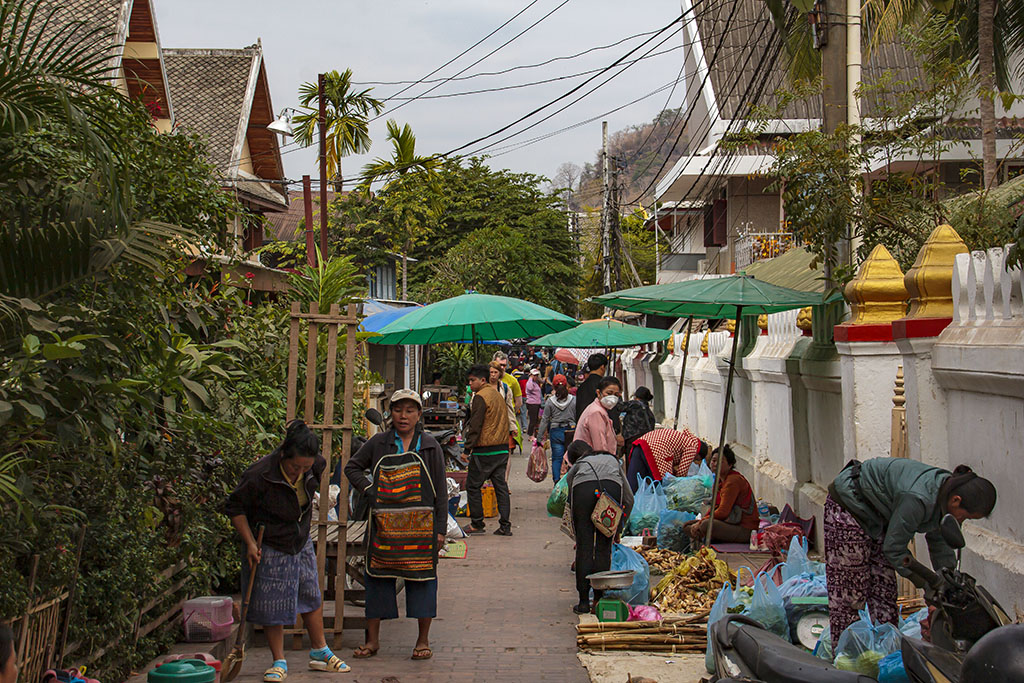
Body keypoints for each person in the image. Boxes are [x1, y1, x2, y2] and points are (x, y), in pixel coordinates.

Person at [824, 458, 997, 650]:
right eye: (964, 516)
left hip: (879, 514)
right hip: (850, 504)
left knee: (884, 592)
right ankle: (845, 657)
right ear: (956, 500)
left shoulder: (945, 496)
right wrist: (927, 584)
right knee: (850, 592)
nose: (961, 520)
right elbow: (894, 549)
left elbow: (940, 543)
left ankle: (886, 655)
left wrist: (947, 584)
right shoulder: (918, 498)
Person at [225, 420, 351, 680]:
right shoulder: (259, 474)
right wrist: (249, 543)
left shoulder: (315, 465)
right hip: (269, 541)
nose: (299, 472)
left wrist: (307, 475)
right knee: (274, 601)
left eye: (305, 467)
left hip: (299, 538)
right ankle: (278, 660)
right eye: (295, 466)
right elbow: (235, 508)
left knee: (310, 592)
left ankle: (320, 651)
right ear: (283, 455)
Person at [344, 390, 447, 661]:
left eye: (410, 411)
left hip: (421, 528)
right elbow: (352, 468)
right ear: (391, 413)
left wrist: (440, 529)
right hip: (383, 527)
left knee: (423, 582)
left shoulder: (429, 446)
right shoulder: (378, 443)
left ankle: (422, 640)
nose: (404, 416)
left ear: (418, 415)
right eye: (399, 410)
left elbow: (440, 491)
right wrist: (369, 489)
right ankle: (373, 641)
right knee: (377, 581)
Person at [564, 440, 634, 614]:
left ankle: (582, 602)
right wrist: (618, 528)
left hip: (583, 491)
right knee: (603, 547)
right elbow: (629, 499)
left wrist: (577, 530)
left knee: (584, 547)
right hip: (610, 491)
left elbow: (571, 498)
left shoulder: (578, 466)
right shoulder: (613, 460)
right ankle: (598, 600)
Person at [463, 364, 512, 536]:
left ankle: (477, 523)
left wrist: (467, 449)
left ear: (482, 380)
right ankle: (505, 525)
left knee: (473, 485)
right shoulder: (496, 394)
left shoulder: (480, 397)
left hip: (485, 449)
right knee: (501, 487)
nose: (470, 384)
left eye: (472, 380)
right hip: (501, 448)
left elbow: (475, 426)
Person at [683, 445, 757, 544]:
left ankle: (711, 537)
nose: (715, 464)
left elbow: (723, 512)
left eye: (720, 462)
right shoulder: (719, 481)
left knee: (705, 525)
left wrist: (701, 522)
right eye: (713, 461)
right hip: (728, 522)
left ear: (730, 465)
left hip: (744, 528)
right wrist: (698, 522)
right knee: (687, 526)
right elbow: (715, 507)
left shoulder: (733, 481)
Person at [626, 427, 709, 492]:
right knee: (661, 487)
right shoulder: (693, 447)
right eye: (695, 459)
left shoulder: (684, 438)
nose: (693, 461)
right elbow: (681, 473)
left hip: (641, 444)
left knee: (633, 484)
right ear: (698, 454)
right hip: (657, 451)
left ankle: (627, 510)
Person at [538, 374, 576, 483]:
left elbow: (545, 420)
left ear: (553, 387)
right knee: (571, 458)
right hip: (570, 430)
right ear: (566, 386)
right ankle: (569, 481)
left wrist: (540, 438)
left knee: (557, 458)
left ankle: (556, 481)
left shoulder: (550, 402)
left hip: (556, 432)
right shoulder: (573, 400)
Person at [574, 376, 623, 460]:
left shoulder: (601, 410)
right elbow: (600, 447)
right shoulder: (596, 413)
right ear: (598, 393)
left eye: (616, 395)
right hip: (593, 463)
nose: (612, 398)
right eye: (609, 393)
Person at [574, 353, 608, 422]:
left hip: (583, 425)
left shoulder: (581, 387)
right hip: (599, 423)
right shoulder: (604, 385)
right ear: (602, 367)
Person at [525, 368, 544, 437]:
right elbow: (529, 388)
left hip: (537, 403)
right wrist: (531, 378)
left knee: (536, 419)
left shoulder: (535, 383)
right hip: (532, 403)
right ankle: (530, 434)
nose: (536, 377)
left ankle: (534, 433)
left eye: (537, 375)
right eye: (535, 375)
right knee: (532, 420)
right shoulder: (530, 382)